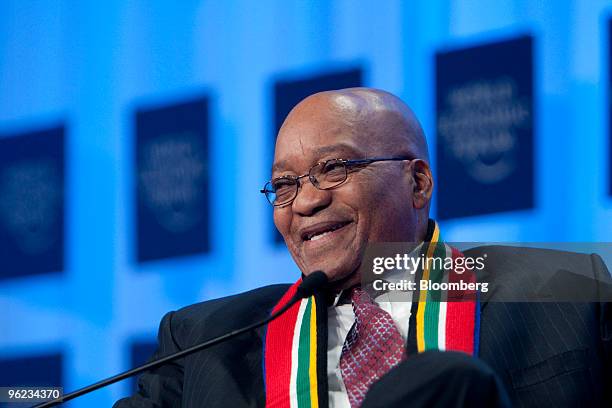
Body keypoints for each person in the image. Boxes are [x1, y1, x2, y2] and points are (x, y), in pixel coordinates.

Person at [114, 88, 611, 407]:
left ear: (417, 183)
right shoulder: (206, 341)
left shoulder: (572, 293)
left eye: (334, 168)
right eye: (284, 184)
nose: (306, 201)